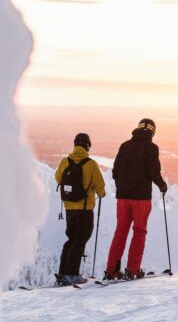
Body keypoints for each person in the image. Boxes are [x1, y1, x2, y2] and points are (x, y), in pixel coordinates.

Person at [104, 118, 168, 280]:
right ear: (153, 131)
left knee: (121, 232)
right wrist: (162, 186)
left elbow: (115, 172)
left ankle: (111, 271)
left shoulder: (125, 146)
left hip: (123, 198)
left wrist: (122, 186)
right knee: (139, 232)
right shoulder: (152, 148)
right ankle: (132, 270)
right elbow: (153, 172)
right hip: (141, 198)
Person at [55, 133, 105, 285]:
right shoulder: (91, 164)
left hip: (69, 208)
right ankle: (72, 274)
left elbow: (58, 178)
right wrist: (101, 193)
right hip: (84, 209)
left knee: (71, 239)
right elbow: (100, 187)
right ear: (88, 146)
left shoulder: (65, 161)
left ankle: (63, 273)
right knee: (80, 240)